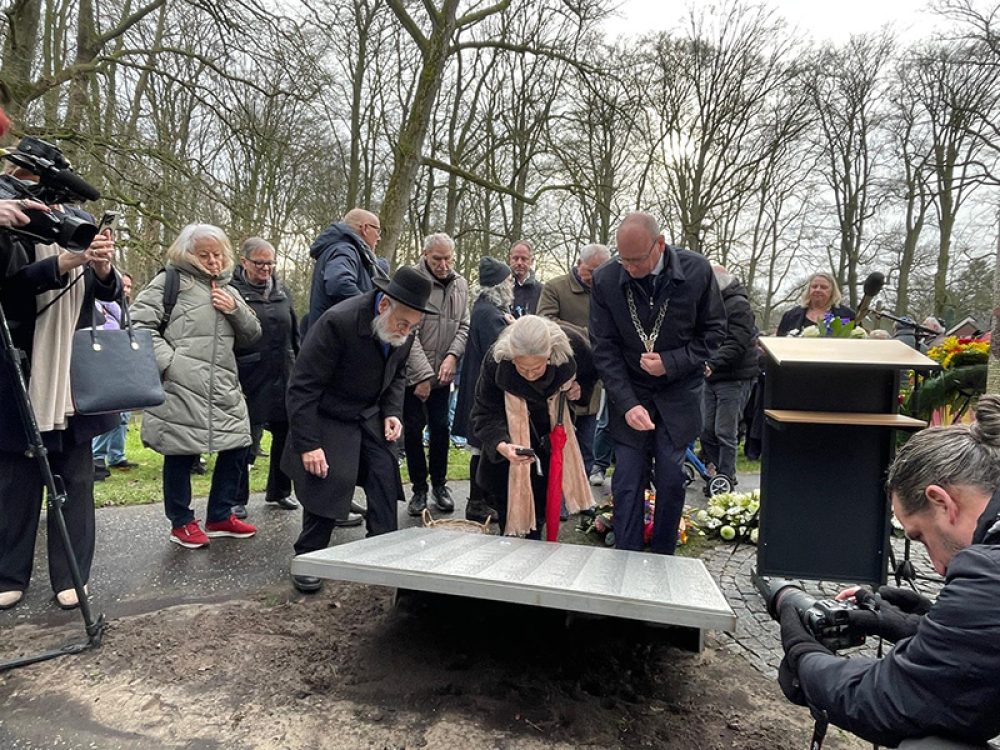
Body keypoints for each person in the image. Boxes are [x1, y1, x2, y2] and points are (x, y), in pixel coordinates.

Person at [777, 394, 1000, 748]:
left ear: (942, 502)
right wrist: (920, 626)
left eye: (920, 536)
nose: (939, 568)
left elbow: (893, 701)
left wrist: (803, 656)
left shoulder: (988, 572)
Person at [0, 163, 120, 610]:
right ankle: (9, 574)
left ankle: (71, 576)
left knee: (76, 479)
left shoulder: (79, 221)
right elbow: (9, 291)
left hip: (74, 374)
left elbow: (109, 297)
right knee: (15, 483)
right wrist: (62, 263)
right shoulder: (10, 222)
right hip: (21, 370)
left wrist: (103, 269)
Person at [284, 266, 434, 594]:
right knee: (328, 479)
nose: (407, 331)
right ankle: (308, 557)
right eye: (403, 324)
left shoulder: (404, 329)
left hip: (369, 414)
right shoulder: (338, 322)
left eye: (413, 326)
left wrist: (391, 412)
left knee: (384, 475)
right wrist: (308, 444)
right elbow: (302, 387)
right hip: (328, 413)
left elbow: (397, 374)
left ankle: (381, 552)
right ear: (384, 306)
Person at [589, 212, 726, 555]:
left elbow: (714, 334)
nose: (629, 268)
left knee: (670, 476)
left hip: (678, 391)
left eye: (636, 260)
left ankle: (664, 557)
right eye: (623, 259)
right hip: (630, 390)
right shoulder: (606, 279)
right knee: (626, 479)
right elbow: (604, 348)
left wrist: (671, 362)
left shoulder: (696, 271)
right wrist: (626, 402)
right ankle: (627, 555)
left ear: (660, 245)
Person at [130, 224, 261, 549]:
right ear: (187, 253)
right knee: (180, 451)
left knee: (238, 445)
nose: (213, 261)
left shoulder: (229, 289)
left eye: (218, 254)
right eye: (204, 255)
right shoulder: (169, 282)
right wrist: (171, 364)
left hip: (224, 385)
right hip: (181, 385)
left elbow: (253, 334)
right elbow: (137, 325)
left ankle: (220, 515)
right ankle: (181, 522)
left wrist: (234, 310)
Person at [471, 316, 594, 538]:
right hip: (510, 446)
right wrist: (502, 445)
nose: (529, 375)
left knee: (541, 513)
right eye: (522, 368)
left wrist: (580, 389)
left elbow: (595, 370)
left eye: (536, 368)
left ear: (550, 355)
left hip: (550, 441)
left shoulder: (573, 347)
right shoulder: (496, 360)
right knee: (509, 519)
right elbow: (484, 412)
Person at [229, 237, 300, 519]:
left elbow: (294, 331)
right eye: (260, 263)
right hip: (248, 373)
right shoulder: (232, 290)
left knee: (285, 432)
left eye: (270, 263)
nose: (266, 268)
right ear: (244, 262)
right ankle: (236, 497)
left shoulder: (282, 290)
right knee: (246, 437)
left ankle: (279, 490)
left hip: (283, 370)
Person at [402, 233, 469, 517]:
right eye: (437, 259)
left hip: (443, 375)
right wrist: (422, 377)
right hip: (414, 376)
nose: (443, 265)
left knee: (441, 429)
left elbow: (464, 325)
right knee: (413, 431)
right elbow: (407, 331)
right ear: (425, 255)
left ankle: (440, 485)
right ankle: (419, 488)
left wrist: (453, 356)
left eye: (448, 259)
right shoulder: (411, 281)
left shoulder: (460, 284)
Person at [537, 242, 611, 483]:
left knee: (586, 447)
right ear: (579, 264)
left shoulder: (608, 291)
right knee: (558, 447)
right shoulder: (555, 288)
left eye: (601, 272)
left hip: (592, 382)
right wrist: (586, 336)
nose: (595, 277)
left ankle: (582, 494)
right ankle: (557, 497)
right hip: (560, 380)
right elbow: (545, 322)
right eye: (591, 271)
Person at [452, 257, 514, 524]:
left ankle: (484, 499)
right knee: (482, 446)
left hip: (479, 387)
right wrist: (514, 329)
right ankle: (477, 502)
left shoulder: (486, 309)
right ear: (499, 285)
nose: (512, 284)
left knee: (484, 447)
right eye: (508, 280)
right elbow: (502, 350)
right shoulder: (489, 314)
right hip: (485, 391)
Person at [700, 265, 758, 485]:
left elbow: (737, 341)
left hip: (734, 377)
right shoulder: (708, 305)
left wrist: (712, 362)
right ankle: (715, 472)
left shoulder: (738, 305)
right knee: (706, 430)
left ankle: (727, 476)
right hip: (711, 377)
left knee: (725, 431)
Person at [303, 207, 382, 336]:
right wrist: (369, 310)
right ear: (365, 228)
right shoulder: (345, 249)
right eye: (377, 230)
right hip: (335, 338)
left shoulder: (346, 250)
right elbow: (338, 283)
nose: (379, 237)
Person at [92, 272, 138, 479]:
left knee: (124, 413)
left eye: (129, 287)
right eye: (123, 285)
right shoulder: (98, 304)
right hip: (104, 362)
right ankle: (97, 456)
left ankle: (117, 455)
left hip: (122, 362)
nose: (125, 290)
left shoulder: (125, 308)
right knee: (110, 411)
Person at [776, 271, 855, 336]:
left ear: (832, 291)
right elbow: (779, 342)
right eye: (814, 286)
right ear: (809, 289)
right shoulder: (790, 316)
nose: (818, 290)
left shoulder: (848, 315)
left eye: (823, 287)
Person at [508, 240, 542, 317]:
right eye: (515, 258)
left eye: (524, 259)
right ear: (510, 259)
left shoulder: (541, 291)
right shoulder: (501, 288)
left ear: (531, 261)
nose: (519, 263)